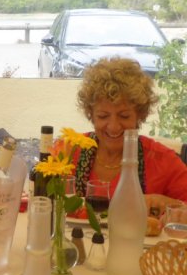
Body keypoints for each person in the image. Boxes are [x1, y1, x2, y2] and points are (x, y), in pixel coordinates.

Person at [74, 57, 187, 212]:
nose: (113, 127)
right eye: (103, 116)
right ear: (90, 115)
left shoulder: (161, 160)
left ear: (139, 115)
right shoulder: (69, 151)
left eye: (124, 116)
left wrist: (166, 203)